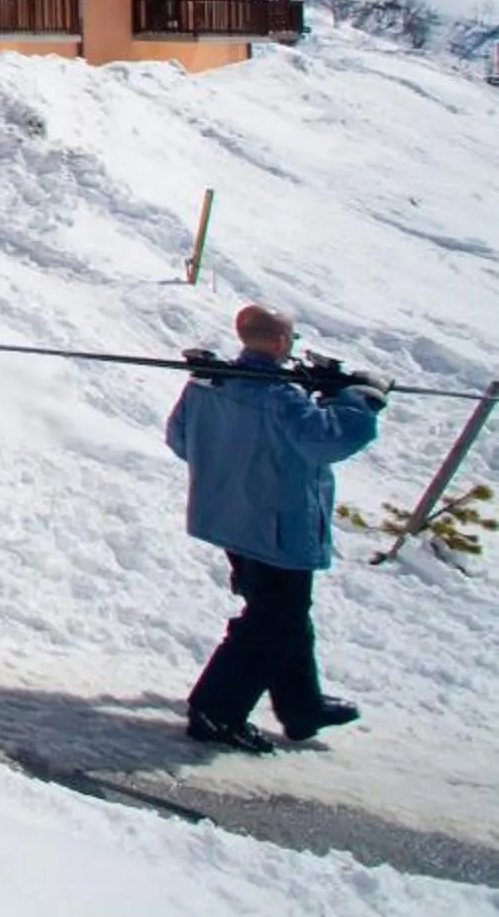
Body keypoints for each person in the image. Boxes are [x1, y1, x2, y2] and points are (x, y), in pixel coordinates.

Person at [168, 301, 385, 753]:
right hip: (277, 526)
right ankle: (215, 711)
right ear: (282, 342)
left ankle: (301, 705)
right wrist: (358, 400)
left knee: (282, 615)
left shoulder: (210, 384)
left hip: (231, 517)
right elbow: (330, 439)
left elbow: (181, 438)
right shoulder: (280, 398)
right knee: (272, 621)